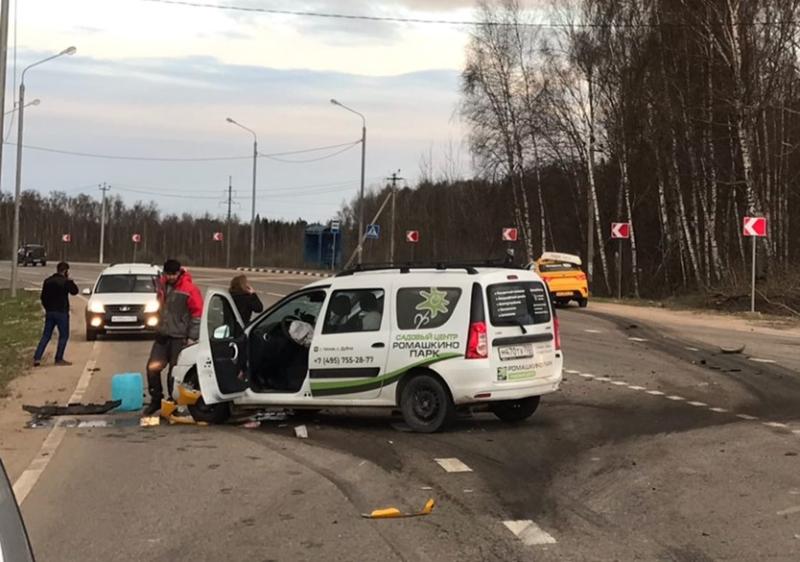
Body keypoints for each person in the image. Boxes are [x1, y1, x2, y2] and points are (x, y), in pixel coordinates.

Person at [142, 259, 203, 416]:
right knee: (152, 368)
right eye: (167, 274)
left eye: (173, 274)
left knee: (174, 374)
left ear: (179, 273)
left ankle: (173, 403)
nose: (170, 277)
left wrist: (191, 337)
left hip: (180, 337)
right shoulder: (161, 286)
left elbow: (197, 315)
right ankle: (156, 399)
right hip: (162, 335)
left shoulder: (189, 289)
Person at [33, 261, 79, 366]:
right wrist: (70, 281)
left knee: (46, 335)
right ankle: (58, 358)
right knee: (63, 335)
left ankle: (37, 357)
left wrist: (47, 308)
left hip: (50, 312)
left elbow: (43, 297)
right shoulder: (65, 282)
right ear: (65, 271)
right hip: (61, 312)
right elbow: (75, 291)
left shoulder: (48, 281)